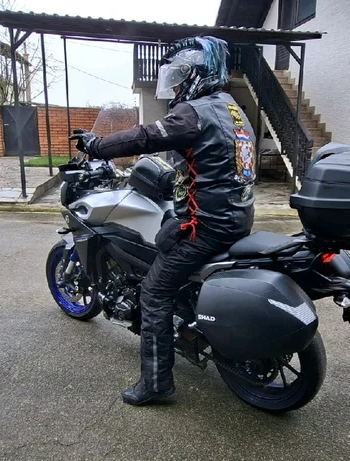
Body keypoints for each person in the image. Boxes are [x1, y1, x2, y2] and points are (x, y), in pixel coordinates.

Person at [68, 36, 256, 406]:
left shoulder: (194, 112)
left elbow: (145, 137)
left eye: (179, 77)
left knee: (154, 291)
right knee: (166, 232)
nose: (175, 87)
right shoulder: (233, 110)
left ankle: (156, 384)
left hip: (206, 226)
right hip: (235, 217)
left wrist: (96, 145)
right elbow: (213, 164)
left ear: (197, 75)